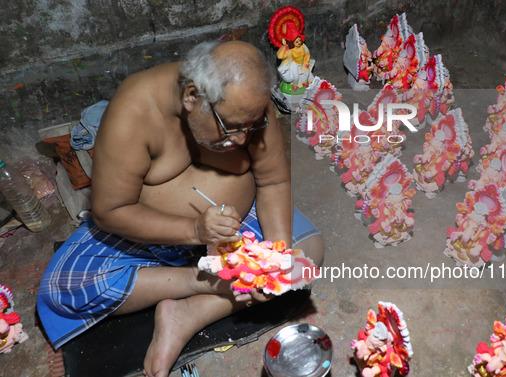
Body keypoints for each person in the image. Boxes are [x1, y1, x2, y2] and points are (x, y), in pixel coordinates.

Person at [37, 40, 324, 377]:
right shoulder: (134, 109)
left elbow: (273, 181)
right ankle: (200, 281)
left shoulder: (247, 103)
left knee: (306, 255)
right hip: (152, 241)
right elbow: (109, 211)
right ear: (191, 96)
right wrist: (194, 231)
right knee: (60, 290)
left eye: (252, 126)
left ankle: (190, 313)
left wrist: (274, 258)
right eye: (231, 127)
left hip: (234, 226)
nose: (244, 140)